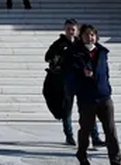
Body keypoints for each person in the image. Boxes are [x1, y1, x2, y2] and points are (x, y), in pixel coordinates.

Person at [67, 24, 121, 165]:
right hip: (87, 98)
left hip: (104, 96)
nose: (90, 37)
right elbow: (69, 76)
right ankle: (82, 154)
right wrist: (81, 74)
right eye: (86, 34)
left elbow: (106, 72)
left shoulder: (102, 52)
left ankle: (115, 160)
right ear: (81, 36)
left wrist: (107, 88)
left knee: (110, 130)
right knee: (86, 129)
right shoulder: (74, 53)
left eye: (92, 34)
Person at [45, 19, 104, 147]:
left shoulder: (81, 43)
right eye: (68, 29)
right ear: (64, 29)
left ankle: (95, 137)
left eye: (73, 29)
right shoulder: (59, 44)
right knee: (67, 109)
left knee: (88, 109)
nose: (70, 32)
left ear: (77, 30)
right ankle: (69, 135)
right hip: (67, 81)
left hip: (82, 81)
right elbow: (48, 57)